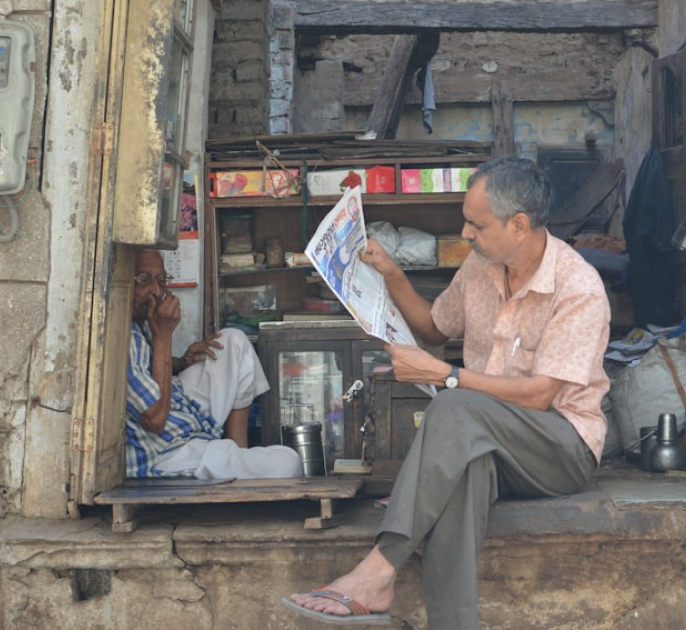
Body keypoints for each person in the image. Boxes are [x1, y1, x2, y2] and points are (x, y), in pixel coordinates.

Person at [283, 158, 611, 629]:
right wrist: (392, 275)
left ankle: (378, 570)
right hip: (490, 439)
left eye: (477, 225)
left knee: (455, 405)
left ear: (519, 226)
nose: (465, 233)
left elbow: (540, 396)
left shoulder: (578, 287)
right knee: (464, 470)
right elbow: (434, 328)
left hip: (560, 448)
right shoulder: (481, 267)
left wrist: (447, 376)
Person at [125, 249, 302, 479]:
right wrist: (163, 336)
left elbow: (145, 369)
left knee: (233, 341)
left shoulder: (140, 324)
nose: (156, 291)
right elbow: (155, 420)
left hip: (181, 412)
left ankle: (237, 452)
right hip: (167, 452)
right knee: (289, 463)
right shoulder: (122, 337)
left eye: (161, 280)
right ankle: (232, 464)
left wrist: (180, 362)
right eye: (143, 279)